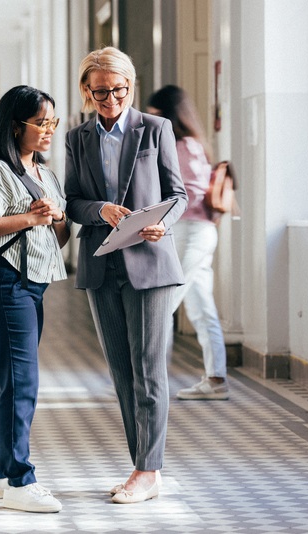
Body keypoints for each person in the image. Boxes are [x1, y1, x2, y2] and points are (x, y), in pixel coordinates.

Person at [63, 47, 187, 504]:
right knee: (121, 370)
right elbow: (73, 200)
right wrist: (101, 210)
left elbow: (178, 194)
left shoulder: (156, 129)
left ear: (130, 86)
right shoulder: (77, 139)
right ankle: (145, 468)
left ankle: (147, 469)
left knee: (149, 369)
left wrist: (162, 224)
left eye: (118, 90)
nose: (110, 99)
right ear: (86, 91)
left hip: (150, 263)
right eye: (100, 92)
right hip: (101, 263)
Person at [0, 85, 71, 513]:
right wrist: (31, 216)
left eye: (51, 123)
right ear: (14, 124)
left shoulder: (45, 173)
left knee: (6, 377)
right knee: (22, 381)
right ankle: (20, 481)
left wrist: (56, 218)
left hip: (32, 283)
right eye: (40, 123)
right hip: (4, 284)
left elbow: (56, 237)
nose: (48, 131)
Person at [147, 85, 230, 401]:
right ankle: (216, 378)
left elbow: (191, 192)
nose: (151, 120)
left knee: (162, 304)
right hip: (194, 231)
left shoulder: (184, 146)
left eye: (156, 114)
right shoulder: (190, 144)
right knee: (200, 306)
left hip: (192, 231)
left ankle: (153, 382)